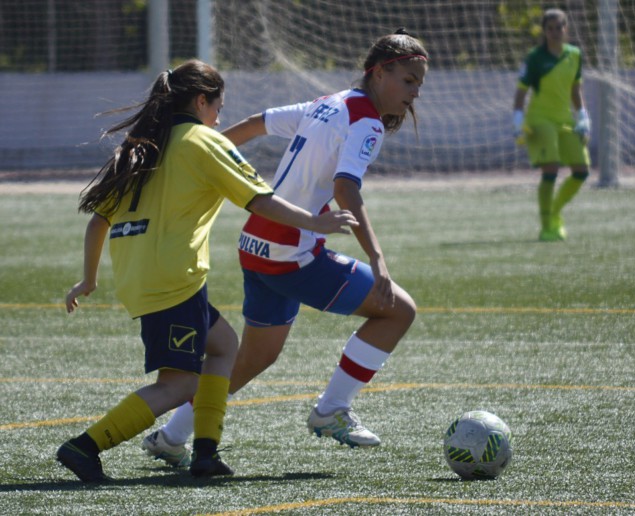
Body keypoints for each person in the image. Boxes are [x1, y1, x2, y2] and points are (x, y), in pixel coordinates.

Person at [56, 59, 357, 482]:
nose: (220, 116)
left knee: (223, 347)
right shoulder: (203, 141)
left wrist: (89, 278)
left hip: (141, 276)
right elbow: (260, 200)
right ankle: (85, 446)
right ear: (201, 101)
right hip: (173, 280)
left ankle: (205, 452)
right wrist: (315, 221)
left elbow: (97, 221)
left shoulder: (144, 145)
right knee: (177, 383)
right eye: (218, 106)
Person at [141, 28, 427, 465]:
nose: (413, 94)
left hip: (257, 242)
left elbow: (257, 122)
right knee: (399, 309)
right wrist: (378, 258)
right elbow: (346, 187)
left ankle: (172, 436)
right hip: (291, 254)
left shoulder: (326, 103)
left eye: (418, 85)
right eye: (408, 81)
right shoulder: (366, 119)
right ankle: (331, 411)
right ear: (379, 72)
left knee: (254, 358)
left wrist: (196, 152)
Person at [512, 8, 591, 241]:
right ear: (544, 31)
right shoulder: (535, 58)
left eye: (560, 27)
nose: (555, 32)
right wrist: (518, 123)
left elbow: (576, 90)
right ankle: (547, 226)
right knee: (552, 168)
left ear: (566, 29)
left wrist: (583, 117)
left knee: (581, 171)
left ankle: (555, 212)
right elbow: (520, 94)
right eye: (550, 28)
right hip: (539, 120)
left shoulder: (574, 55)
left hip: (565, 119)